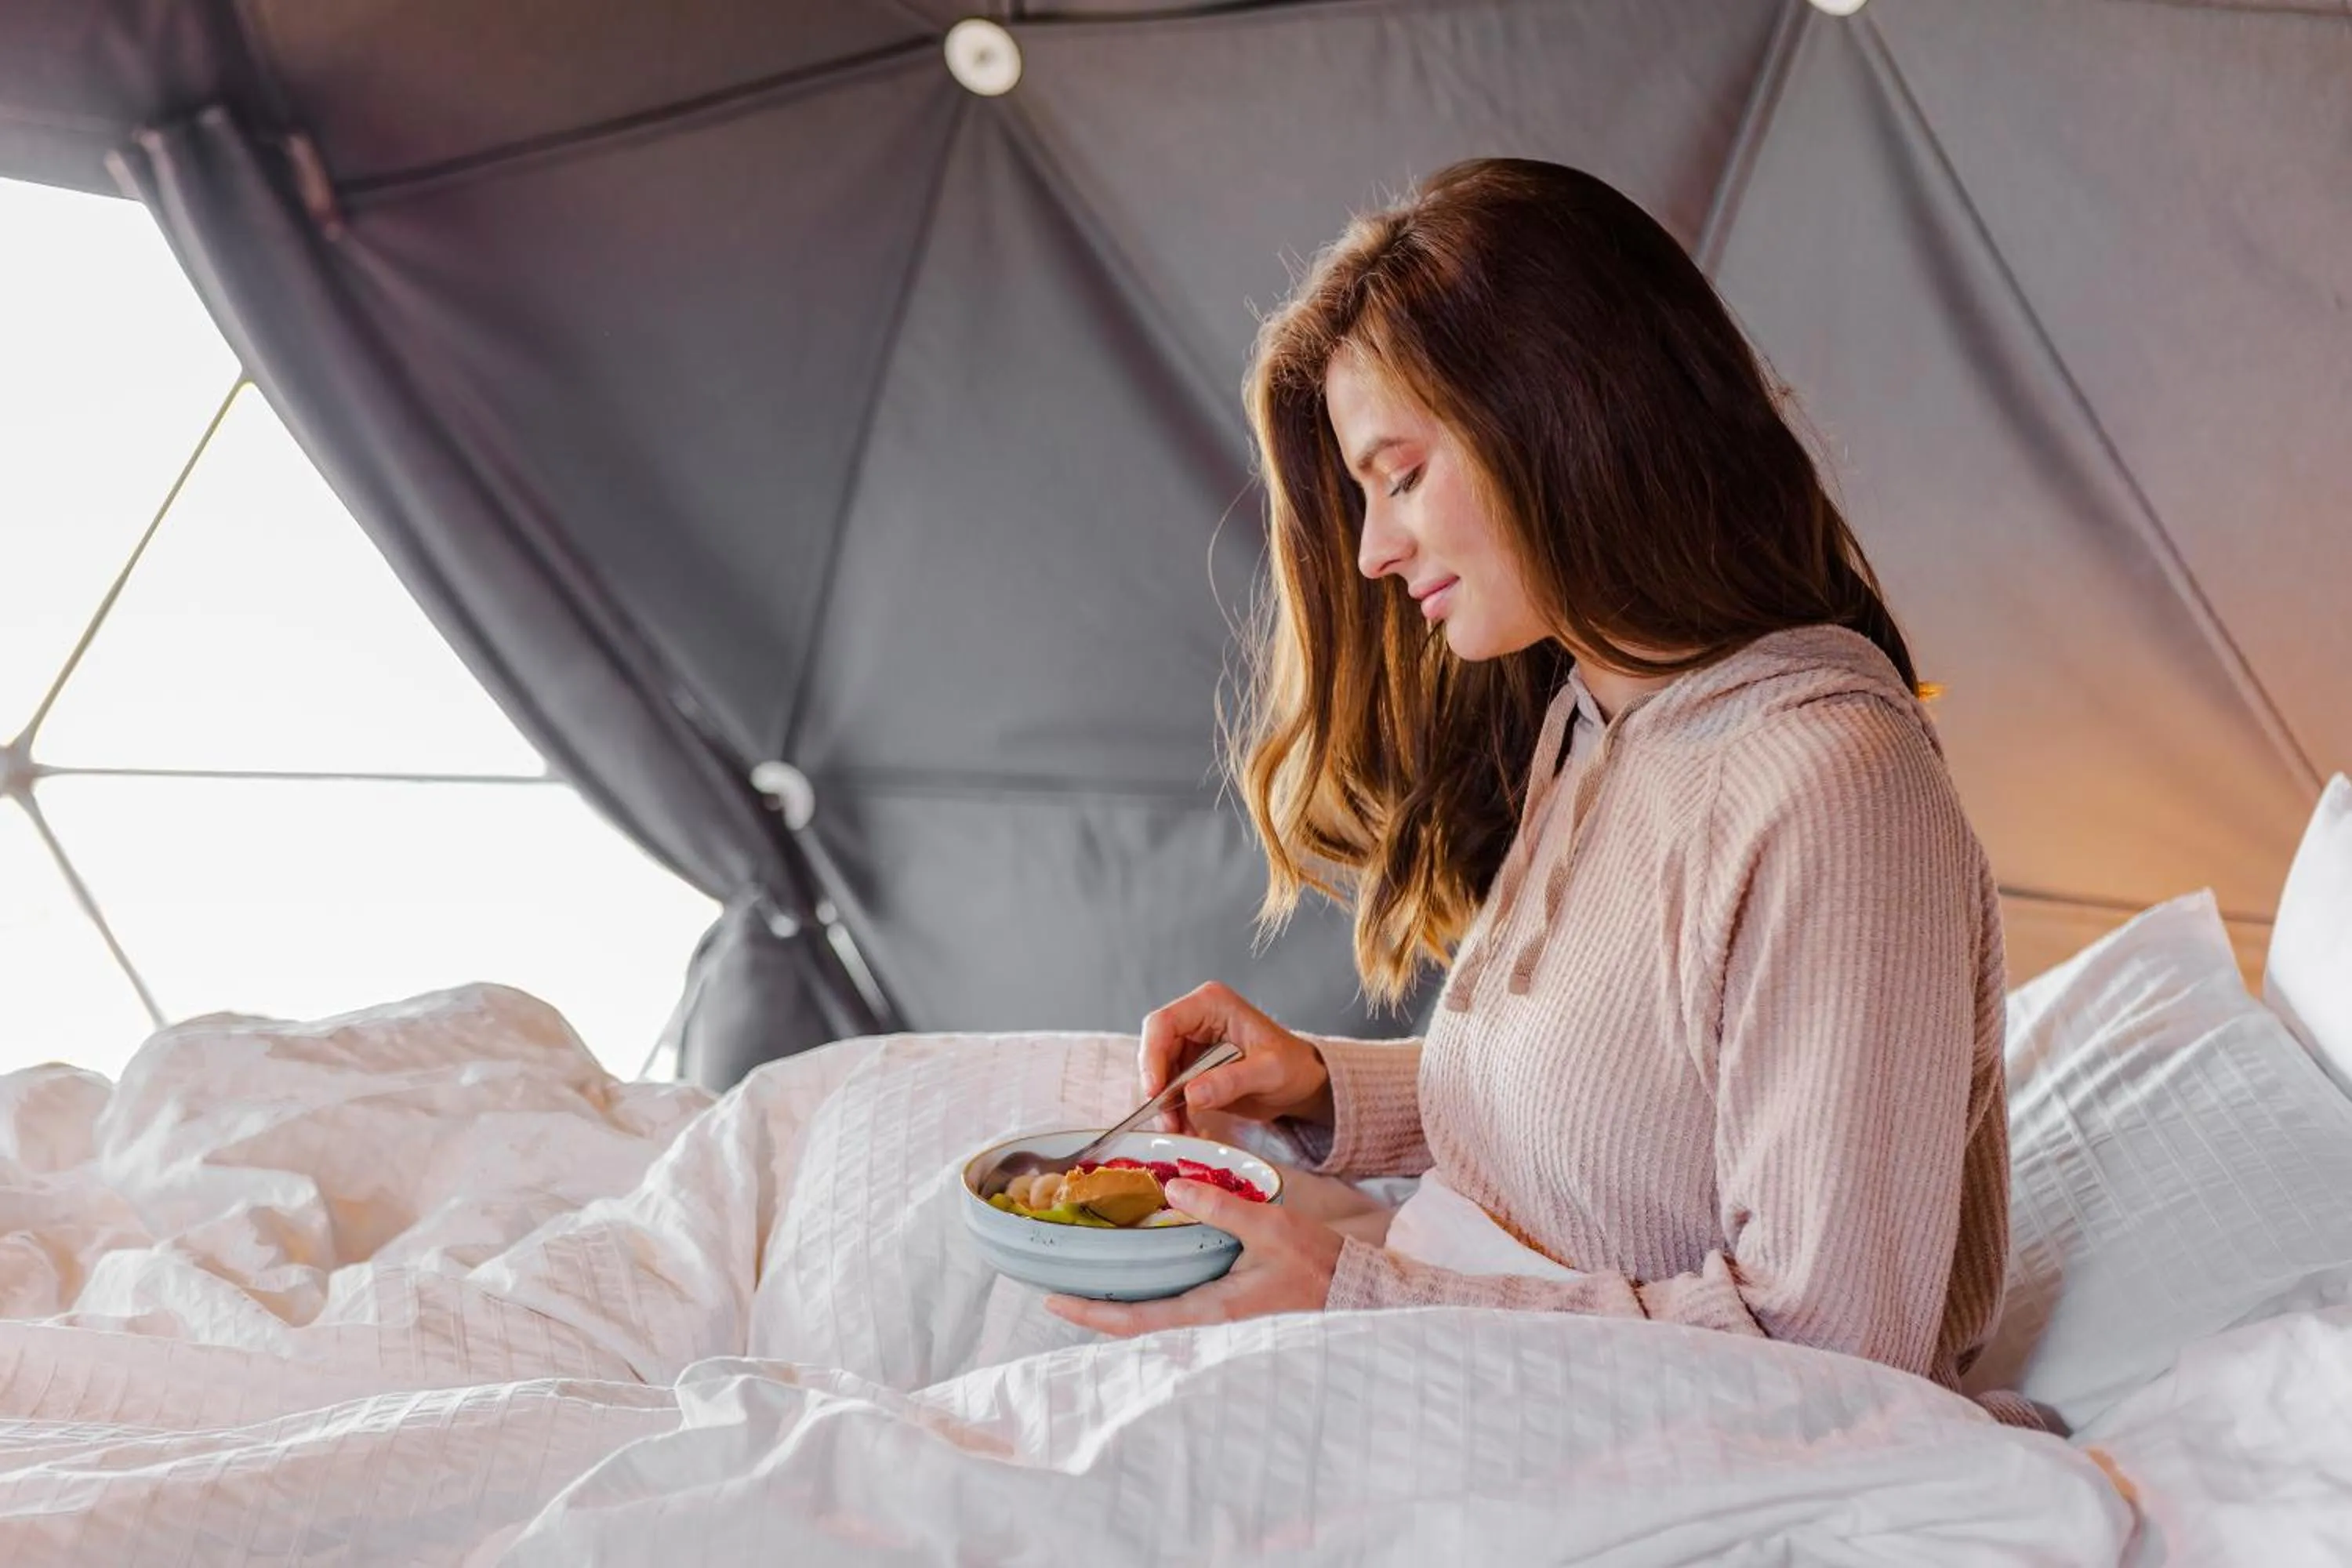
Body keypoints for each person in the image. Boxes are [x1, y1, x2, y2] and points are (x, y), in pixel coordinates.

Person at [1043, 158, 2037, 1426]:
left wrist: (1353, 1300)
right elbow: (1622, 1128)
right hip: (1472, 1351)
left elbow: (1833, 1342)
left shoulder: (1830, 790)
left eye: (1399, 476)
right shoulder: (1597, 714)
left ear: (1559, 415)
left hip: (1634, 1433)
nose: (1372, 550)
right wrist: (1325, 1090)